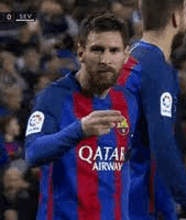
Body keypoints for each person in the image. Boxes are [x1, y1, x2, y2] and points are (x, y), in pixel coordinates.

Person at [25, 13, 138, 220]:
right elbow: (32, 153)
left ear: (126, 55)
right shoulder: (53, 97)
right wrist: (79, 130)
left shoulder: (128, 102)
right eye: (97, 50)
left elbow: (125, 166)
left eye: (114, 51)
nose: (105, 59)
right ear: (81, 52)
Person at [117, 0, 186, 219]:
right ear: (176, 19)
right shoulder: (156, 68)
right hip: (139, 203)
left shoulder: (128, 59)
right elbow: (162, 146)